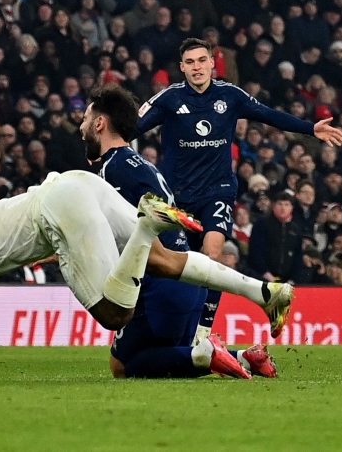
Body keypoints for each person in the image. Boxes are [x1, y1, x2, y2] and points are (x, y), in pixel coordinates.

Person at [0, 170, 293, 384]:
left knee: (115, 314)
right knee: (165, 261)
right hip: (77, 183)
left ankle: (147, 226)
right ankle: (264, 293)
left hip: (56, 210)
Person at [136, 38, 342, 343]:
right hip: (177, 199)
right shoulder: (168, 99)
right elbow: (132, 128)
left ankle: (203, 335)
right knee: (177, 267)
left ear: (212, 63)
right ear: (182, 68)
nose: (196, 67)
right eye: (190, 62)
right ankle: (173, 332)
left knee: (211, 255)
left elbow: (269, 115)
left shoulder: (230, 95)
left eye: (201, 60)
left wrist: (310, 128)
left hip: (216, 192)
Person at [81, 85, 276, 380]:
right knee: (170, 356)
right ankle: (245, 358)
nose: (81, 126)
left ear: (99, 123)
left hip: (161, 283)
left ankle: (207, 353)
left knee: (122, 366)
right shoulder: (141, 165)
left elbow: (116, 233)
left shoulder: (113, 169)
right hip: (189, 282)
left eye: (85, 119)